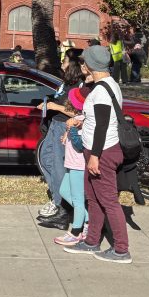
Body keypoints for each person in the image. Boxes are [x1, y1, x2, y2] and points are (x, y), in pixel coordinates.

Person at [64, 44, 131, 263]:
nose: (82, 64)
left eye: (84, 62)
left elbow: (102, 125)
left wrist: (94, 156)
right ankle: (92, 241)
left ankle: (121, 249)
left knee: (109, 201)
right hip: (95, 150)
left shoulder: (102, 90)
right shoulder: (104, 84)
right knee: (93, 199)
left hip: (102, 152)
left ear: (92, 64)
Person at [36, 49, 85, 229]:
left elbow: (77, 112)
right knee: (45, 159)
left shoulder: (78, 87)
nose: (62, 64)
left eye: (64, 62)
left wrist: (54, 106)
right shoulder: (65, 84)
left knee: (58, 168)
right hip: (54, 125)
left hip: (64, 126)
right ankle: (58, 197)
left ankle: (62, 209)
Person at [51, 87, 89, 246]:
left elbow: (81, 145)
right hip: (72, 164)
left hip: (79, 165)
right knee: (64, 191)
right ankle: (89, 221)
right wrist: (68, 132)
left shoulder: (84, 121)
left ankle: (76, 232)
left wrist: (72, 130)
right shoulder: (78, 118)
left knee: (78, 200)